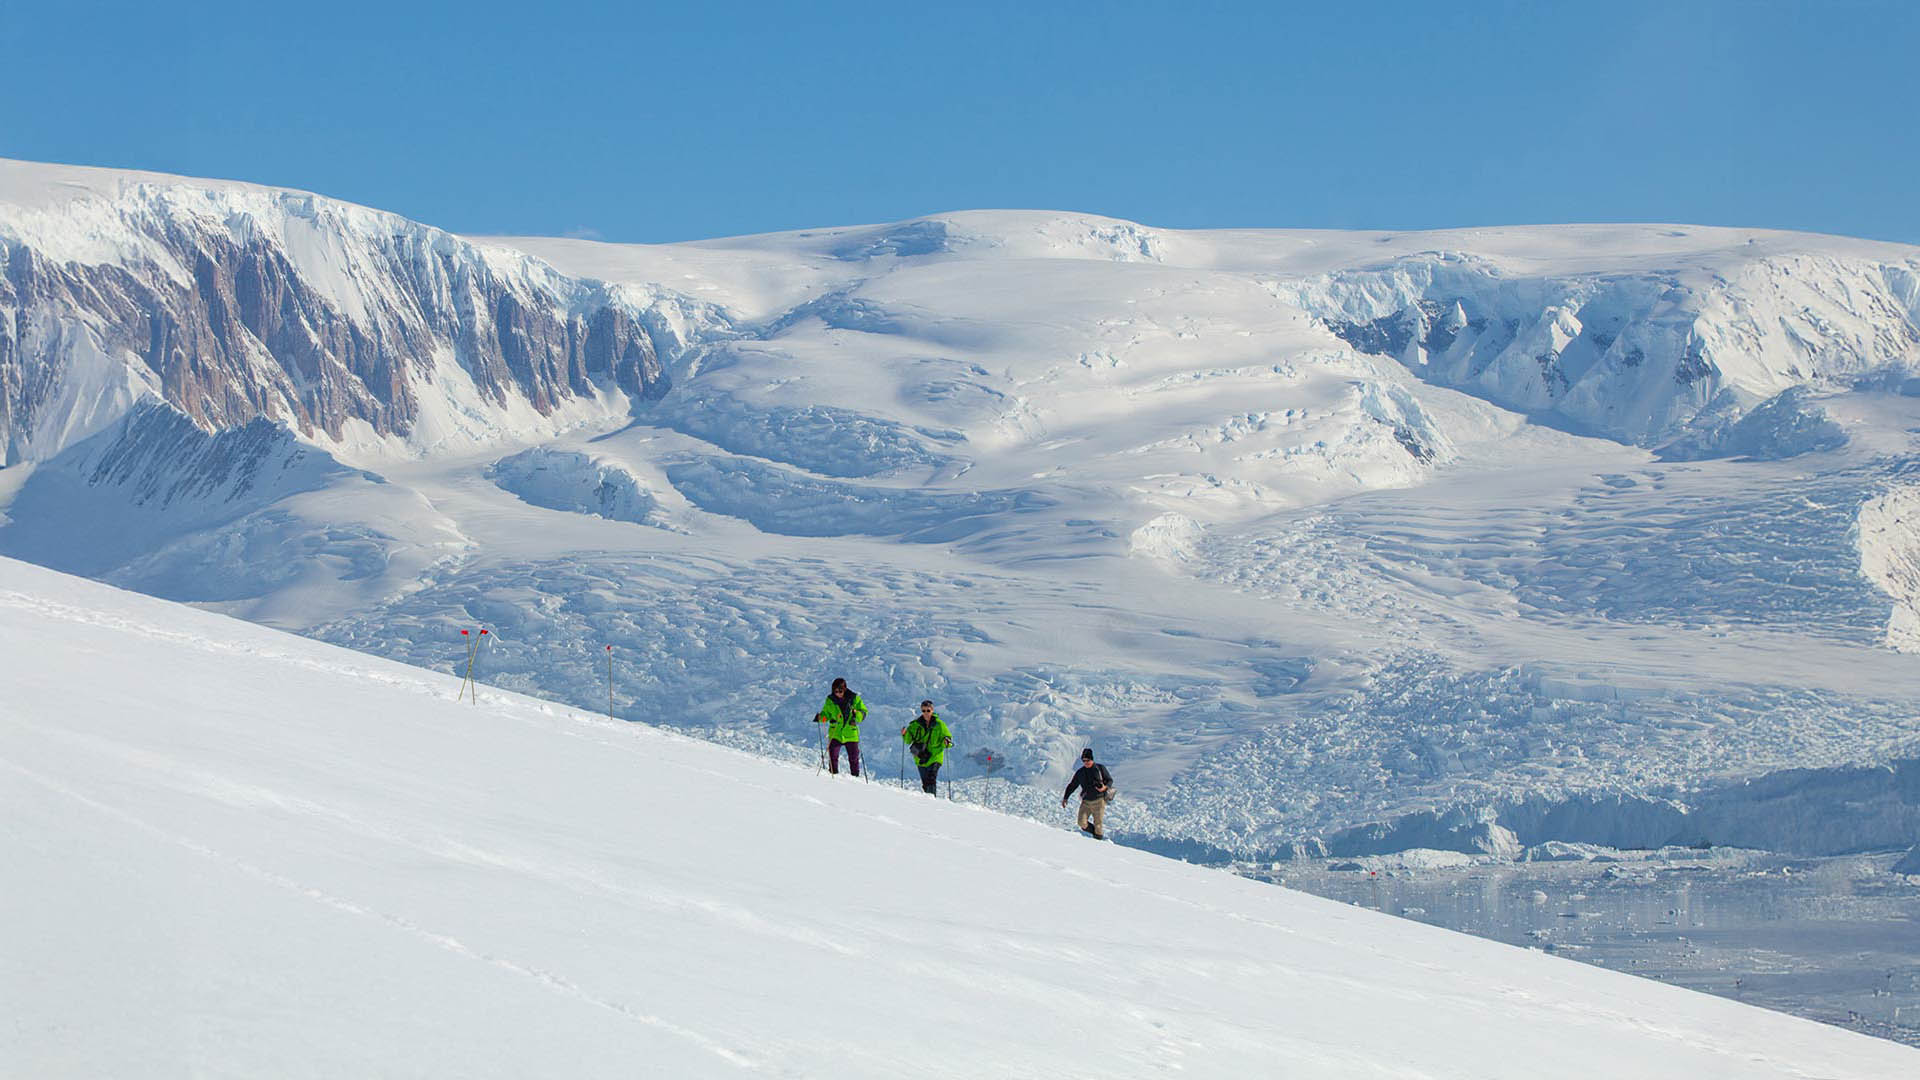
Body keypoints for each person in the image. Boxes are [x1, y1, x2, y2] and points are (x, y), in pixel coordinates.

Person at [814, 677, 866, 777]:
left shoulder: (854, 698)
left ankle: (855, 779)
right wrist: (821, 717)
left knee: (854, 758)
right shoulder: (830, 700)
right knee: (833, 756)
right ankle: (833, 776)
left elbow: (864, 712)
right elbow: (827, 714)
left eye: (840, 691)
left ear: (845, 689)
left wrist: (857, 714)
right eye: (835, 691)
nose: (838, 693)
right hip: (835, 733)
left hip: (851, 733)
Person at [900, 700, 953, 794]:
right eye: (923, 710)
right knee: (925, 783)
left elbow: (948, 738)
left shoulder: (940, 725)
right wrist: (905, 734)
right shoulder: (915, 725)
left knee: (931, 779)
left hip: (935, 756)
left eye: (928, 710)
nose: (926, 713)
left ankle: (932, 802)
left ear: (932, 710)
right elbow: (908, 740)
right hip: (921, 758)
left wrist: (947, 741)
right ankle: (928, 802)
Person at [1061, 748, 1113, 839]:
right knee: (1081, 822)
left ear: (1092, 759)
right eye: (1083, 760)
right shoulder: (1080, 772)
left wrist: (1105, 787)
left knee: (1098, 825)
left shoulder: (1100, 768)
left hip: (1099, 800)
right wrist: (1066, 798)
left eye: (1087, 760)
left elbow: (1109, 780)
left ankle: (1098, 842)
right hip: (1086, 802)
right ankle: (1096, 834)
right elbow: (1072, 785)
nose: (1085, 762)